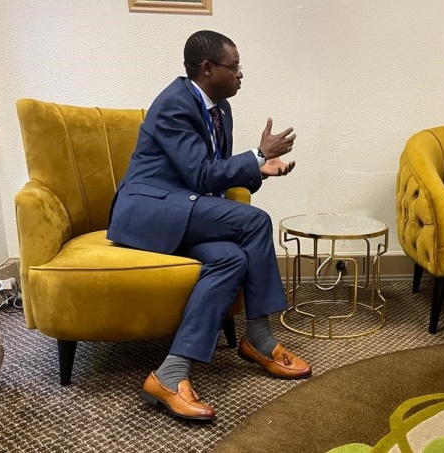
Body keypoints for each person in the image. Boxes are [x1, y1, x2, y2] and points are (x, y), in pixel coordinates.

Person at [107, 30, 312, 421]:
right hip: (149, 212)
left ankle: (171, 373)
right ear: (207, 68)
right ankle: (259, 337)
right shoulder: (173, 104)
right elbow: (201, 174)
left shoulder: (221, 109)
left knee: (232, 258)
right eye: (234, 67)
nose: (240, 74)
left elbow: (214, 171)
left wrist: (260, 169)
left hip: (184, 212)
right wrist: (256, 154)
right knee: (256, 221)